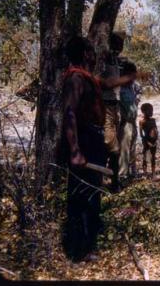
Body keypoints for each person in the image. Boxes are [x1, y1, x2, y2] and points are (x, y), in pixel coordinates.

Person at [61, 36, 106, 262]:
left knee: (92, 192)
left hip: (93, 139)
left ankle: (89, 245)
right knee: (82, 193)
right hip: (84, 141)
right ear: (86, 54)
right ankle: (78, 249)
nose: (94, 54)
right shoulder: (76, 78)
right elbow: (69, 113)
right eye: (91, 51)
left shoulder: (87, 78)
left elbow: (104, 85)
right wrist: (75, 150)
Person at [99, 32, 136, 192]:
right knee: (110, 146)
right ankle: (110, 182)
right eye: (117, 43)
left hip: (115, 107)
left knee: (118, 146)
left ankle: (115, 181)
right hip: (105, 106)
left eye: (121, 44)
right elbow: (103, 83)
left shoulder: (117, 60)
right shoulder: (104, 60)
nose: (119, 47)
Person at [118, 60, 138, 181]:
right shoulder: (119, 89)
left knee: (132, 149)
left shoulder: (131, 88)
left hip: (132, 122)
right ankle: (122, 176)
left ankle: (132, 173)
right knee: (123, 151)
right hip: (124, 123)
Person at [139, 103, 158, 174]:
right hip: (146, 142)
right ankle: (145, 173)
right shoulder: (142, 122)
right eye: (149, 110)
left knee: (153, 157)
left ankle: (153, 173)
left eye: (152, 110)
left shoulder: (153, 120)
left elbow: (156, 130)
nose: (151, 112)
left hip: (154, 141)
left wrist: (156, 140)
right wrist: (147, 142)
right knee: (145, 157)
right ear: (143, 111)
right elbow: (141, 134)